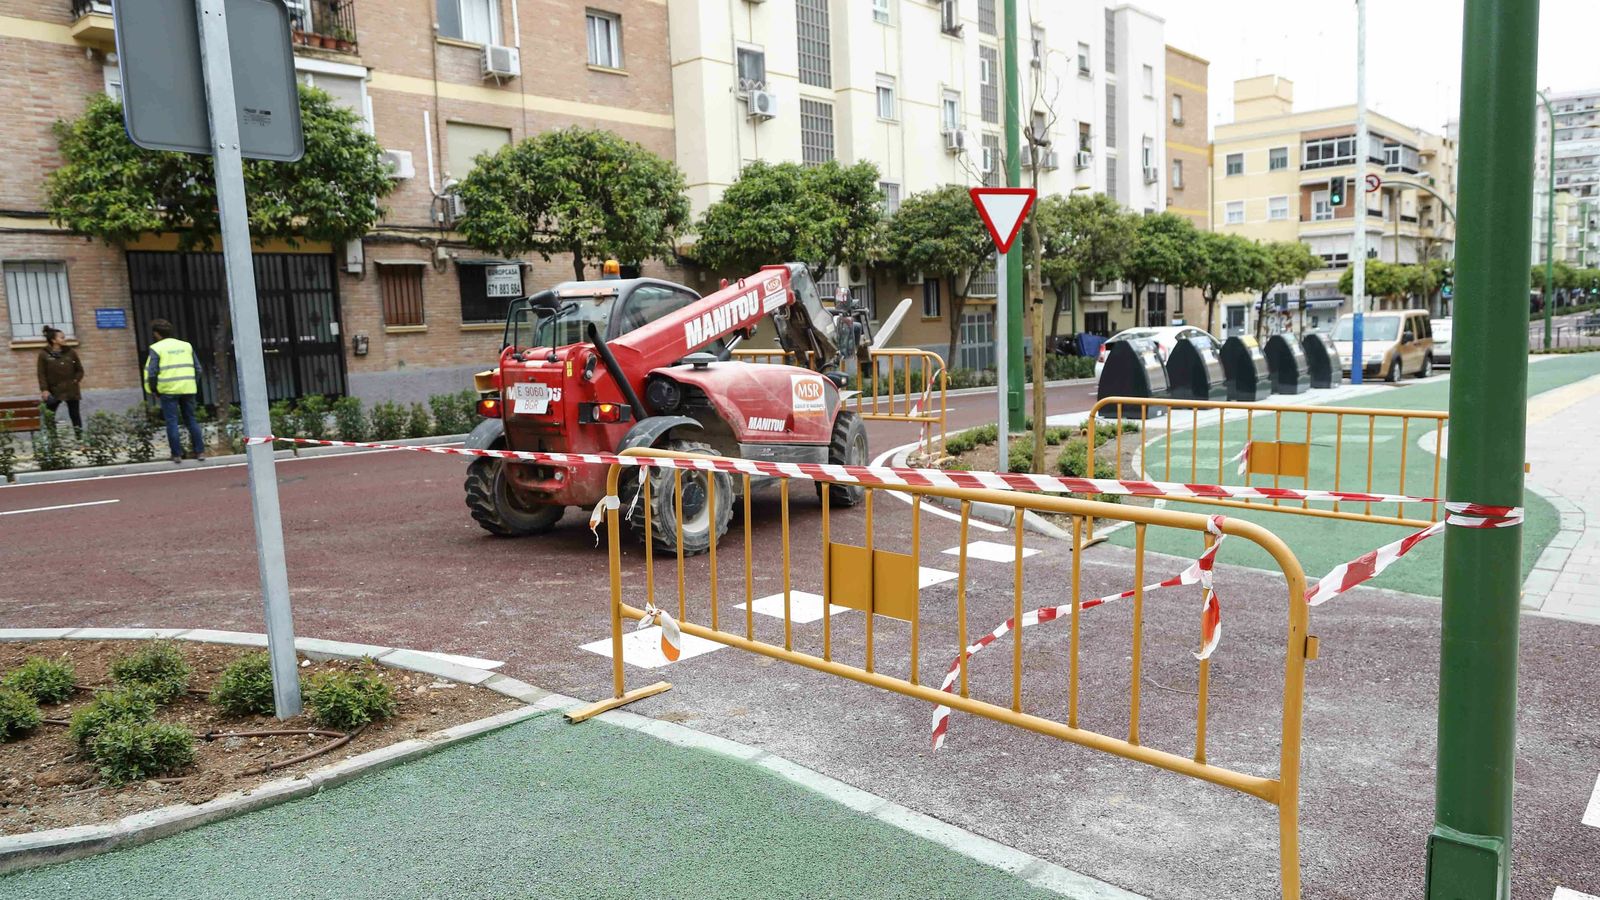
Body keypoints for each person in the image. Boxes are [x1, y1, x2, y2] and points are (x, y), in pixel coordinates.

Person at [144, 319, 205, 463]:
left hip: (168, 390)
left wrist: (154, 389)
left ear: (156, 334)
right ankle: (200, 452)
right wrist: (192, 383)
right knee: (191, 420)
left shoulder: (157, 348)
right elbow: (198, 369)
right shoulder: (186, 346)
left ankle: (176, 455)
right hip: (188, 388)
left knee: (172, 422)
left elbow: (152, 372)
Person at [36, 326, 85, 435]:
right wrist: (44, 390)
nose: (64, 339)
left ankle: (80, 439)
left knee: (75, 415)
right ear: (54, 340)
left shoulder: (71, 352)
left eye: (64, 337)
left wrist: (76, 380)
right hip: (54, 390)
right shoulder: (44, 354)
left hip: (71, 389)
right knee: (50, 415)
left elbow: (79, 370)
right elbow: (41, 374)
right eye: (61, 337)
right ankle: (54, 439)